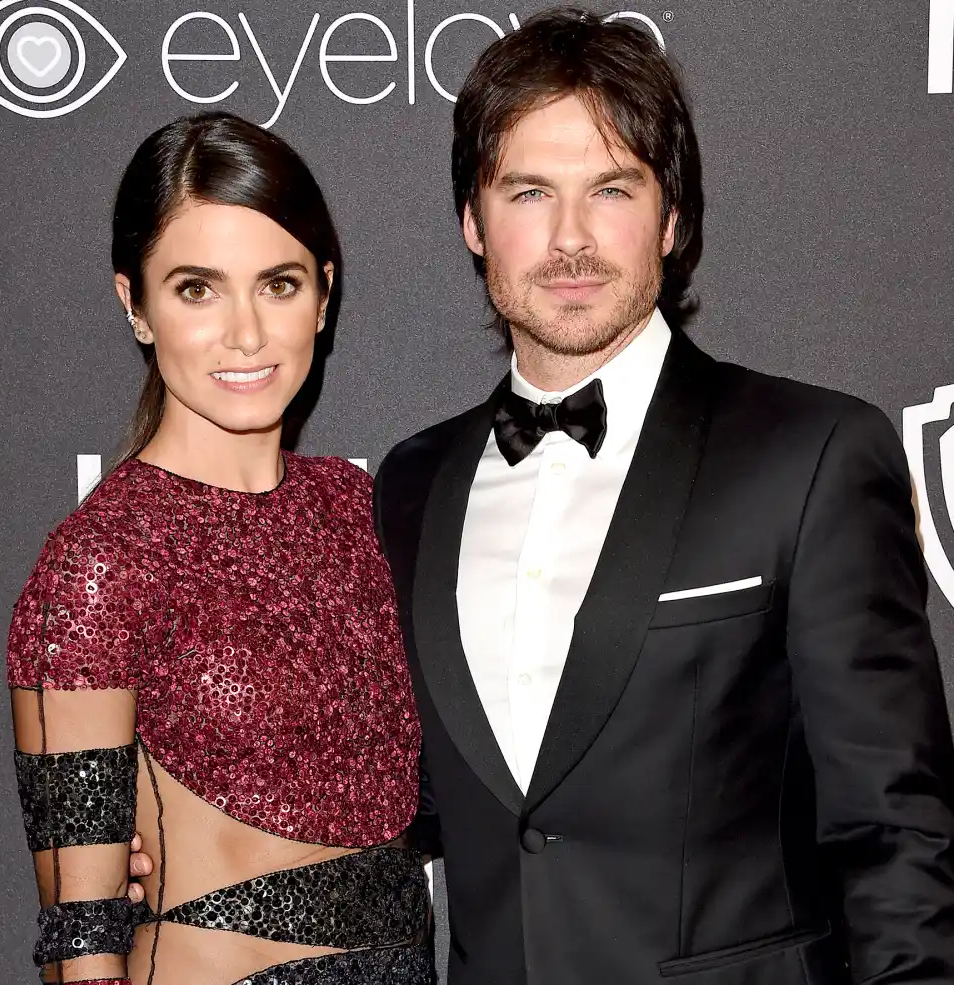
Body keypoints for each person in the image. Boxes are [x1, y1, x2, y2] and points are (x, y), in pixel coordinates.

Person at [371, 9, 954, 985]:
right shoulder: (411, 485)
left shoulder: (809, 455)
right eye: (528, 192)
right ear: (472, 220)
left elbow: (895, 836)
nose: (568, 239)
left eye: (609, 189)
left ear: (671, 217)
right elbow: (411, 803)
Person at [7, 112, 430, 985]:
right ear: (135, 304)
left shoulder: (368, 511)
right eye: (197, 288)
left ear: (325, 292)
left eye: (278, 284)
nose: (246, 333)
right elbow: (80, 942)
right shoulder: (98, 562)